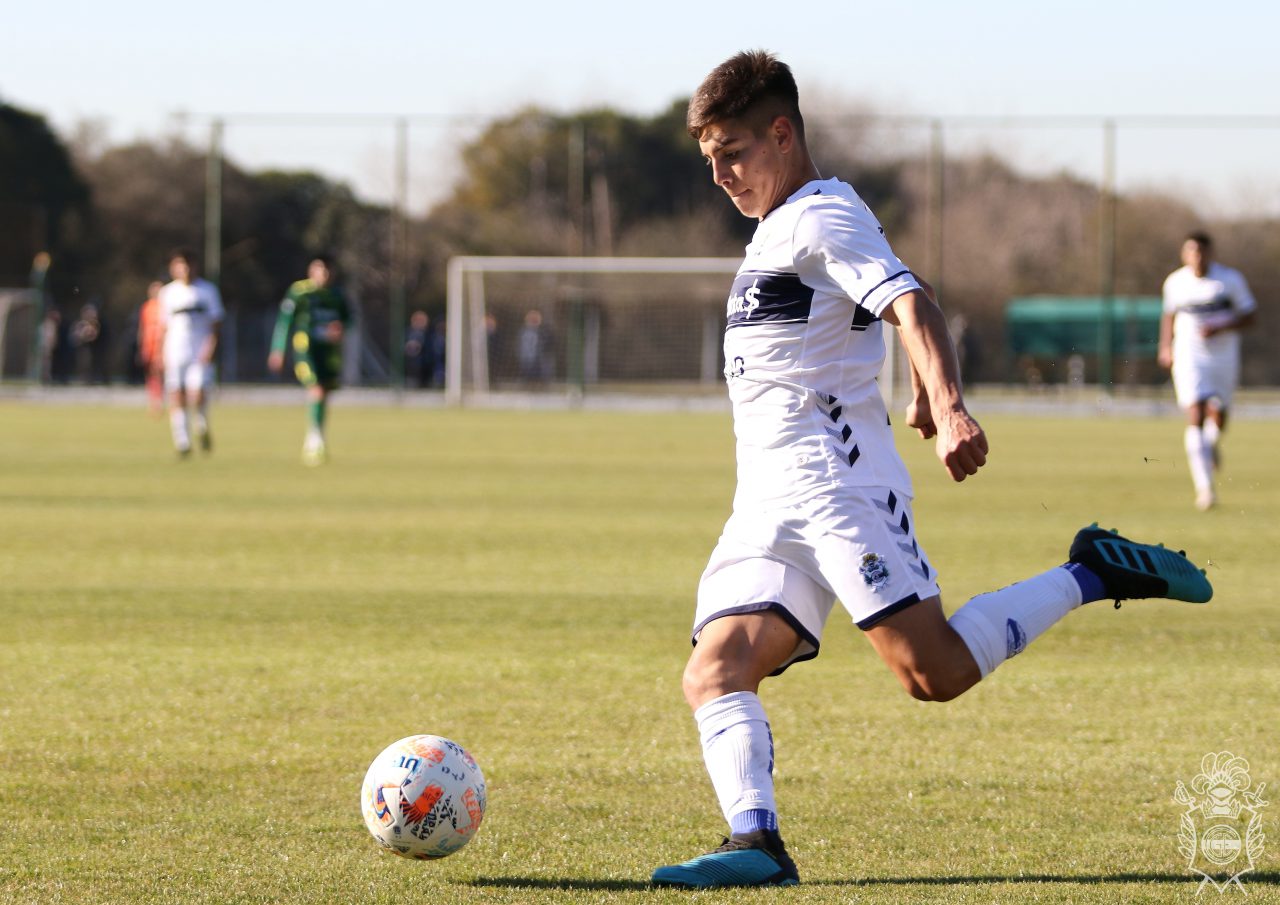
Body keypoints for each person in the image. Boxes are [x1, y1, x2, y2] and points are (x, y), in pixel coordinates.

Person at [651, 51, 1214, 890]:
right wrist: (918, 386)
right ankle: (755, 844)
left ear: (781, 132)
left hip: (839, 490)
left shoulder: (822, 213)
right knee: (715, 668)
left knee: (933, 672)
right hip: (766, 502)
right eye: (710, 161)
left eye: (733, 151)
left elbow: (907, 300)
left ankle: (1091, 570)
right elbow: (861, 323)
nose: (723, 174)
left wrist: (947, 404)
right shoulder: (774, 232)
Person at [1157, 232, 1257, 511]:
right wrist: (1166, 347)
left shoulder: (1230, 280)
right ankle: (1205, 489)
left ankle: (1210, 444)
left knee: (1219, 414)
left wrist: (1221, 327)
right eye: (1191, 252)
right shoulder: (1175, 282)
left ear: (1210, 253)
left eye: (1201, 252)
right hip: (1189, 354)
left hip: (1223, 357)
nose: (1196, 257)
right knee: (1196, 411)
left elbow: (1250, 316)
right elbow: (1169, 315)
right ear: (1184, 254)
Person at [267, 254, 352, 465]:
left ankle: (316, 435)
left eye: (327, 270)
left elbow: (348, 320)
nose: (323, 275)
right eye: (319, 269)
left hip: (329, 351)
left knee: (324, 393)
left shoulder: (337, 295)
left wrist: (339, 329)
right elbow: (284, 321)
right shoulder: (299, 292)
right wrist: (278, 349)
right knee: (316, 389)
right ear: (310, 271)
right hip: (306, 348)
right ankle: (315, 440)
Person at [158, 249, 224, 457]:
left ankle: (201, 425)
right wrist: (159, 353)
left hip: (199, 351)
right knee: (176, 395)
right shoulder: (167, 293)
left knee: (197, 394)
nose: (184, 269)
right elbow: (163, 326)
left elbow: (216, 323)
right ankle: (182, 440)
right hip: (175, 350)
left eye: (188, 264)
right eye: (180, 264)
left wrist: (210, 346)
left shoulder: (207, 290)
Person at [137, 281, 165, 415]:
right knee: (151, 374)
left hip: (163, 347)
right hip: (149, 346)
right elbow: (142, 328)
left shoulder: (166, 307)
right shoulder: (146, 307)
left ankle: (163, 401)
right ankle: (154, 401)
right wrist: (141, 346)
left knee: (163, 374)